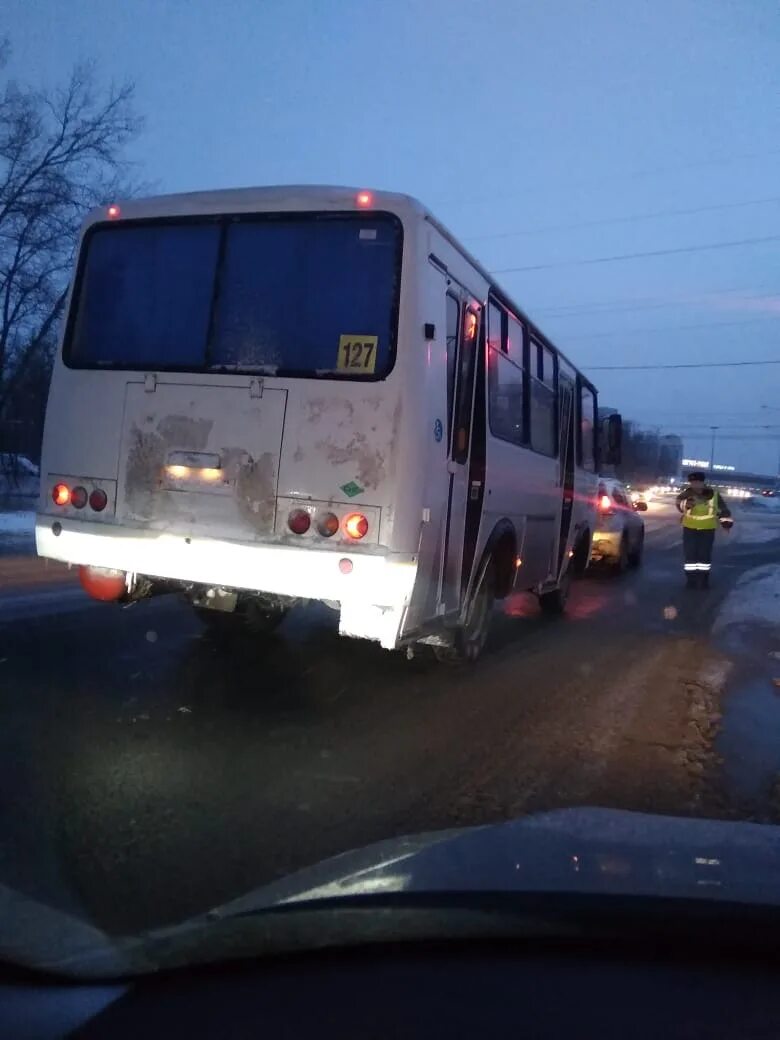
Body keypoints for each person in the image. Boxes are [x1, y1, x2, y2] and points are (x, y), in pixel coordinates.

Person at [675, 471, 733, 589]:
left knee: (704, 555)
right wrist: (686, 504)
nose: (695, 485)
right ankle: (691, 580)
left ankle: (703, 579)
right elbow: (679, 505)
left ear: (702, 482)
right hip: (689, 528)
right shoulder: (686, 494)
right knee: (690, 555)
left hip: (707, 529)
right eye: (692, 482)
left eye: (697, 482)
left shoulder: (714, 495)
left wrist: (726, 524)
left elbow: (723, 510)